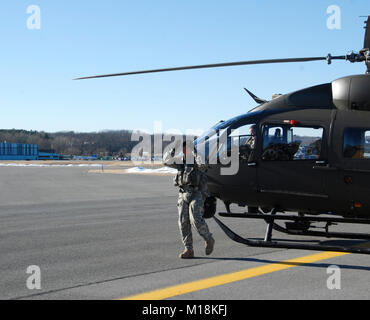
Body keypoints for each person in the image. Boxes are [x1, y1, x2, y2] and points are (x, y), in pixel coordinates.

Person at [164, 141, 215, 259]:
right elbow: (166, 161)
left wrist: (196, 153)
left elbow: (203, 165)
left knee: (195, 219)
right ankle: (189, 249)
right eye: (183, 149)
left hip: (196, 193)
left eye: (188, 149)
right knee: (183, 222)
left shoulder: (197, 161)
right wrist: (172, 149)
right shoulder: (180, 161)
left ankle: (208, 238)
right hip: (183, 193)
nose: (185, 151)